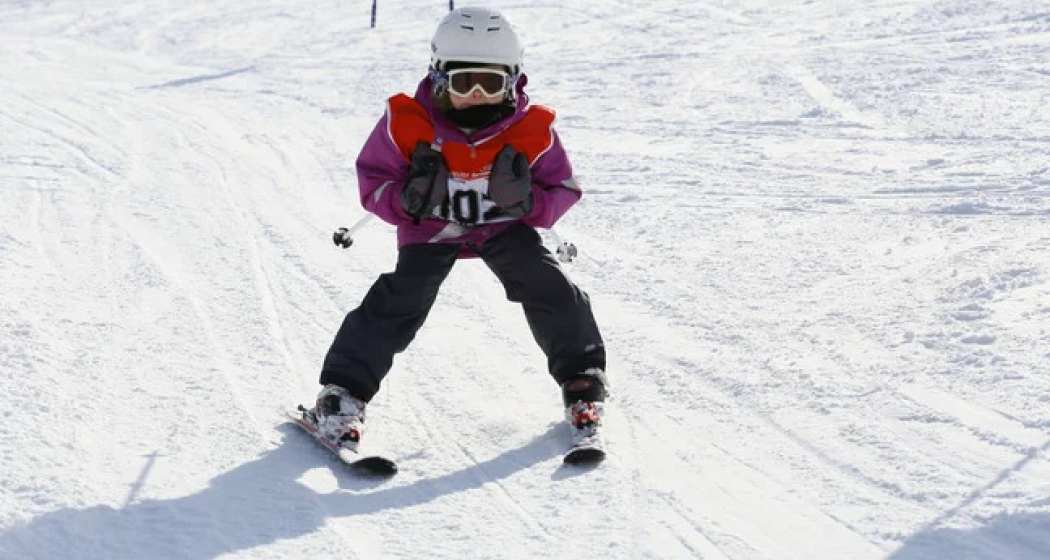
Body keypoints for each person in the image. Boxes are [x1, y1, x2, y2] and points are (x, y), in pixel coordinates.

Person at [313, 7, 608, 458]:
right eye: (462, 81)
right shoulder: (407, 123)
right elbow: (373, 182)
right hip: (432, 228)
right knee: (402, 297)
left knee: (547, 282)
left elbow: (564, 188)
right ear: (437, 76)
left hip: (503, 227)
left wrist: (530, 203)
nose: (475, 94)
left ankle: (582, 380)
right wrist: (407, 199)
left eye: (489, 83)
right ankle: (342, 395)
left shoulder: (532, 130)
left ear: (512, 81)